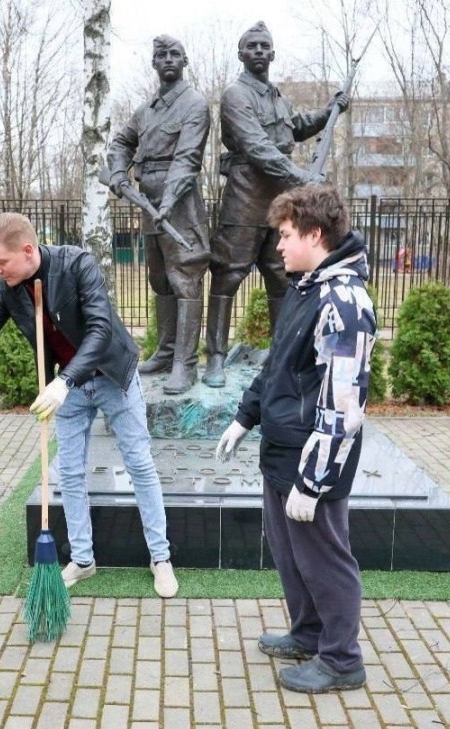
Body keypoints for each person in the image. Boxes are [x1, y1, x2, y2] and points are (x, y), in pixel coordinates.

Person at [0, 212, 179, 598]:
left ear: (27, 250)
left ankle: (161, 557)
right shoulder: (8, 289)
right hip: (65, 387)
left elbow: (101, 329)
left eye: (0, 262)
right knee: (69, 472)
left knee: (138, 462)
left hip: (111, 378)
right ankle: (83, 560)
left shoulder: (77, 264)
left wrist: (64, 382)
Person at [216, 184, 376, 693]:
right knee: (291, 555)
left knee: (325, 558)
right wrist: (245, 418)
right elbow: (277, 367)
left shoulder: (343, 302)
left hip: (312, 460)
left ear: (314, 233)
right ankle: (308, 633)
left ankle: (342, 660)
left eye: (286, 235)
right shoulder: (305, 289)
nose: (279, 246)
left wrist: (314, 481)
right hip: (282, 451)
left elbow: (344, 405)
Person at [204, 21, 349, 388]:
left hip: (279, 202)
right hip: (245, 200)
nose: (258, 51)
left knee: (280, 280)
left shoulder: (275, 96)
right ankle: (216, 358)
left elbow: (293, 128)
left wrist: (329, 112)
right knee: (228, 277)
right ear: (241, 54)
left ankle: (280, 354)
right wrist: (303, 177)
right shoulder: (236, 95)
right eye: (250, 45)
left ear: (272, 53)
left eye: (264, 46)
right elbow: (257, 147)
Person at [107, 34, 211, 394]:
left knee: (185, 281)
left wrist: (167, 202)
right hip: (148, 202)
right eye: (161, 55)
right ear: (154, 63)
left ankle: (186, 363)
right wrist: (119, 174)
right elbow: (122, 142)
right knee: (160, 281)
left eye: (174, 54)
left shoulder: (195, 104)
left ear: (184, 61)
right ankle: (166, 353)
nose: (168, 59)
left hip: (179, 205)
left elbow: (188, 159)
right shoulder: (146, 109)